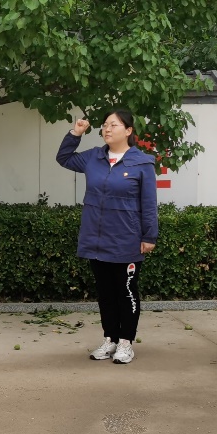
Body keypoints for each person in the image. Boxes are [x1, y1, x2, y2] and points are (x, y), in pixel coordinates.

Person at [57, 110, 159, 365]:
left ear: (128, 130)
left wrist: (149, 236)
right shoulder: (94, 157)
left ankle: (126, 342)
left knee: (126, 291)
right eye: (104, 125)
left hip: (126, 239)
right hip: (96, 238)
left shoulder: (142, 164)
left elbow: (149, 204)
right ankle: (110, 338)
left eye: (114, 124)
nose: (107, 129)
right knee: (105, 293)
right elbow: (64, 158)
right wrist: (75, 133)